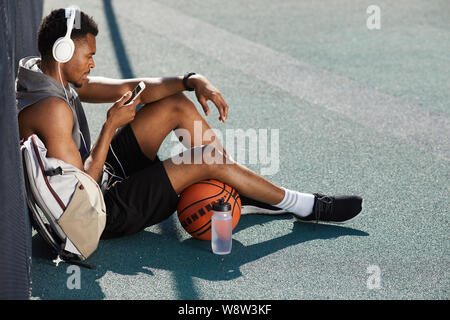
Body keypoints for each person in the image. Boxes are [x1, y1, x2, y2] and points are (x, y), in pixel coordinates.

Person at [16, 8, 363, 240]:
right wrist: (109, 127)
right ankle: (303, 204)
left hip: (99, 174)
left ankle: (233, 186)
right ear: (63, 51)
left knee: (175, 106)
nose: (93, 63)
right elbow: (80, 195)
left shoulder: (40, 69)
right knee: (207, 158)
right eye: (89, 55)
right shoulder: (52, 110)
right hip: (98, 210)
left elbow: (125, 88)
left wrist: (190, 80)